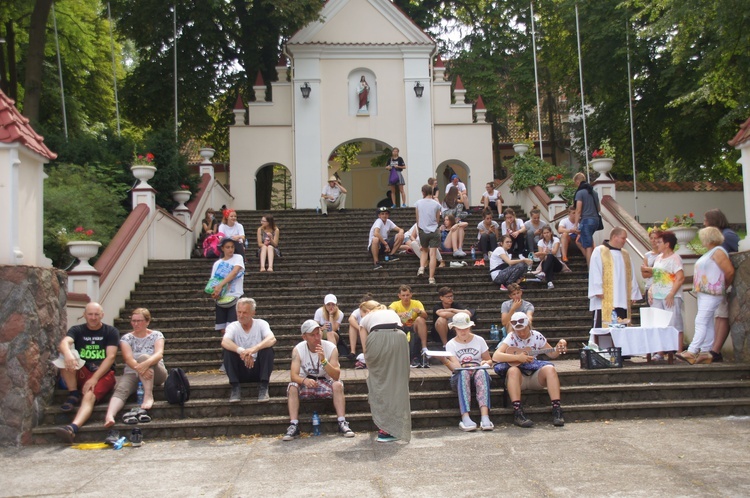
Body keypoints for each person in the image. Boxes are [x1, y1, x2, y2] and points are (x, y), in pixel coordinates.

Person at [54, 302, 119, 443]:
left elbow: (111, 357)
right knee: (65, 356)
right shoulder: (77, 330)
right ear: (84, 315)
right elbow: (64, 343)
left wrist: (94, 379)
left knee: (89, 395)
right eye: (90, 314)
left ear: (102, 315)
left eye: (97, 314)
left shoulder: (110, 331)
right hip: (83, 370)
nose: (93, 317)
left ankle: (72, 428)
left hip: (103, 373)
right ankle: (73, 393)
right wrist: (68, 354)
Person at [282, 320, 355, 440]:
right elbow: (293, 375)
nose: (317, 337)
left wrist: (323, 360)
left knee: (338, 385)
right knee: (292, 386)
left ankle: (342, 422)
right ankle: (293, 424)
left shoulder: (330, 347)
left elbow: (336, 375)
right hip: (306, 381)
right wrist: (304, 380)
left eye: (318, 333)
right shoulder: (298, 349)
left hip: (325, 381)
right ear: (304, 337)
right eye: (312, 335)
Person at [492, 311, 567, 428]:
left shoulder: (537, 336)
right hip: (518, 379)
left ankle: (557, 409)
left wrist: (558, 347)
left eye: (524, 329)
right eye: (518, 330)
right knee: (513, 370)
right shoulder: (511, 337)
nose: (521, 333)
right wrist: (518, 358)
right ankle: (518, 412)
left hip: (534, 376)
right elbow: (496, 356)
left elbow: (552, 354)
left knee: (550, 369)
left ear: (529, 326)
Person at [677, 227, 734, 364]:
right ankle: (705, 352)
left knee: (701, 320)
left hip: (712, 292)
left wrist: (723, 286)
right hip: (705, 292)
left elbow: (729, 271)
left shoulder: (718, 252)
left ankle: (692, 350)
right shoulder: (711, 252)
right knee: (706, 322)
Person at [103, 308, 166, 429]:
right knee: (121, 389)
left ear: (147, 322)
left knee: (144, 357)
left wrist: (144, 364)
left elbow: (159, 354)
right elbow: (128, 359)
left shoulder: (156, 335)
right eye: (133, 321)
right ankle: (110, 416)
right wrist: (140, 369)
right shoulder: (126, 338)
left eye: (139, 321)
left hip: (156, 373)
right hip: (134, 371)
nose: (136, 324)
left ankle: (148, 395)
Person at [359, 300, 411, 443]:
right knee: (399, 382)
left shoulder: (365, 319)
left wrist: (368, 362)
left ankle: (385, 428)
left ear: (366, 311)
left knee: (379, 382)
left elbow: (365, 349)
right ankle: (397, 426)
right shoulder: (392, 313)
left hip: (378, 338)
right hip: (399, 338)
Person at [441, 313, 494, 431]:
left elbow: (489, 359)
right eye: (460, 329)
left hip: (478, 371)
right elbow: (456, 367)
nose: (463, 332)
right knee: (463, 373)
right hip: (460, 374)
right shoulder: (451, 344)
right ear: (455, 329)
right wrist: (445, 360)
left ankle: (485, 416)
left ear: (470, 327)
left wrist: (485, 364)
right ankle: (465, 416)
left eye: (465, 328)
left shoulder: (479, 340)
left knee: (481, 372)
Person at [221, 298, 276, 402]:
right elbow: (225, 341)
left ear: (253, 313)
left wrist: (253, 350)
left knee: (268, 350)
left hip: (257, 369)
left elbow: (272, 338)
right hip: (241, 368)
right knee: (227, 351)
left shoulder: (261, 324)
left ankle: (264, 387)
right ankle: (235, 387)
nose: (241, 315)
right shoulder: (233, 326)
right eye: (239, 312)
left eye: (245, 312)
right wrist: (242, 351)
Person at [704, 209, 740, 362]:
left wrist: (725, 284)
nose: (704, 224)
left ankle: (715, 350)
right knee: (719, 316)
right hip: (718, 284)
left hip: (724, 283)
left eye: (706, 220)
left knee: (723, 315)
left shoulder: (728, 236)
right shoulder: (718, 239)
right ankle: (714, 349)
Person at [588, 227, 642, 328]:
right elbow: (595, 271)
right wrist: (598, 289)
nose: (625, 241)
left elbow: (632, 275)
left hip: (622, 298)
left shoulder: (625, 254)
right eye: (623, 238)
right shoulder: (600, 251)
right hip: (604, 299)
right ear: (614, 237)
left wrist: (633, 293)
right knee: (602, 329)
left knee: (622, 328)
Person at [646, 231, 685, 359]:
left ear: (667, 244)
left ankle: (678, 351)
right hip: (657, 295)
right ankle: (660, 352)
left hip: (670, 295)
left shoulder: (675, 258)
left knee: (674, 323)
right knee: (658, 323)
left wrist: (671, 293)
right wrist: (651, 290)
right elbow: (656, 277)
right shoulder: (658, 258)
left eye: (659, 242)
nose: (656, 244)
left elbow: (680, 278)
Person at [209, 237, 245, 336]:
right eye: (228, 247)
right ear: (223, 248)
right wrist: (215, 292)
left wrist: (220, 285)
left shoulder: (238, 258)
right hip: (221, 298)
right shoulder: (217, 264)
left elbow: (234, 272)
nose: (230, 249)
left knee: (233, 327)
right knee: (222, 328)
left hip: (234, 296)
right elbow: (213, 281)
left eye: (232, 247)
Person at [389, 284, 429, 368]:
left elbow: (425, 316)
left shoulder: (417, 303)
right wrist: (400, 314)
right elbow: (389, 313)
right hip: (402, 326)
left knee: (420, 319)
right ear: (399, 296)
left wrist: (419, 312)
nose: (406, 297)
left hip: (414, 326)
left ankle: (424, 348)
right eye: (403, 295)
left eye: (407, 295)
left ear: (411, 294)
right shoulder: (395, 304)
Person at [415, 184, 443, 285]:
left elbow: (417, 218)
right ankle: (431, 278)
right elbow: (437, 219)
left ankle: (422, 268)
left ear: (423, 192)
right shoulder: (436, 204)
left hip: (423, 229)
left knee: (424, 250)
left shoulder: (418, 203)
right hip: (434, 230)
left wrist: (419, 228)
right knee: (433, 254)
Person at [573, 172, 601, 265]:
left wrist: (576, 224)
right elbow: (599, 208)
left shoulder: (580, 192)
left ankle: (591, 269)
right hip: (595, 221)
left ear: (577, 181)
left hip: (586, 221)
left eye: (575, 183)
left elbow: (578, 210)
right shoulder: (594, 193)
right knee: (580, 241)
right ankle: (594, 262)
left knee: (588, 246)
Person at [347, 293, 373, 364]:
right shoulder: (358, 311)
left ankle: (366, 353)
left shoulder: (375, 311)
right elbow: (351, 319)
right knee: (352, 326)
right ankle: (353, 351)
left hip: (371, 334)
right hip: (360, 334)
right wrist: (360, 328)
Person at [640, 230, 660, 297]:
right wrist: (656, 271)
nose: (653, 240)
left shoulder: (664, 254)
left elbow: (663, 271)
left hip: (661, 287)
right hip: (649, 286)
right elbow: (644, 274)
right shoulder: (647, 255)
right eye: (651, 238)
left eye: (655, 238)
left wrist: (647, 269)